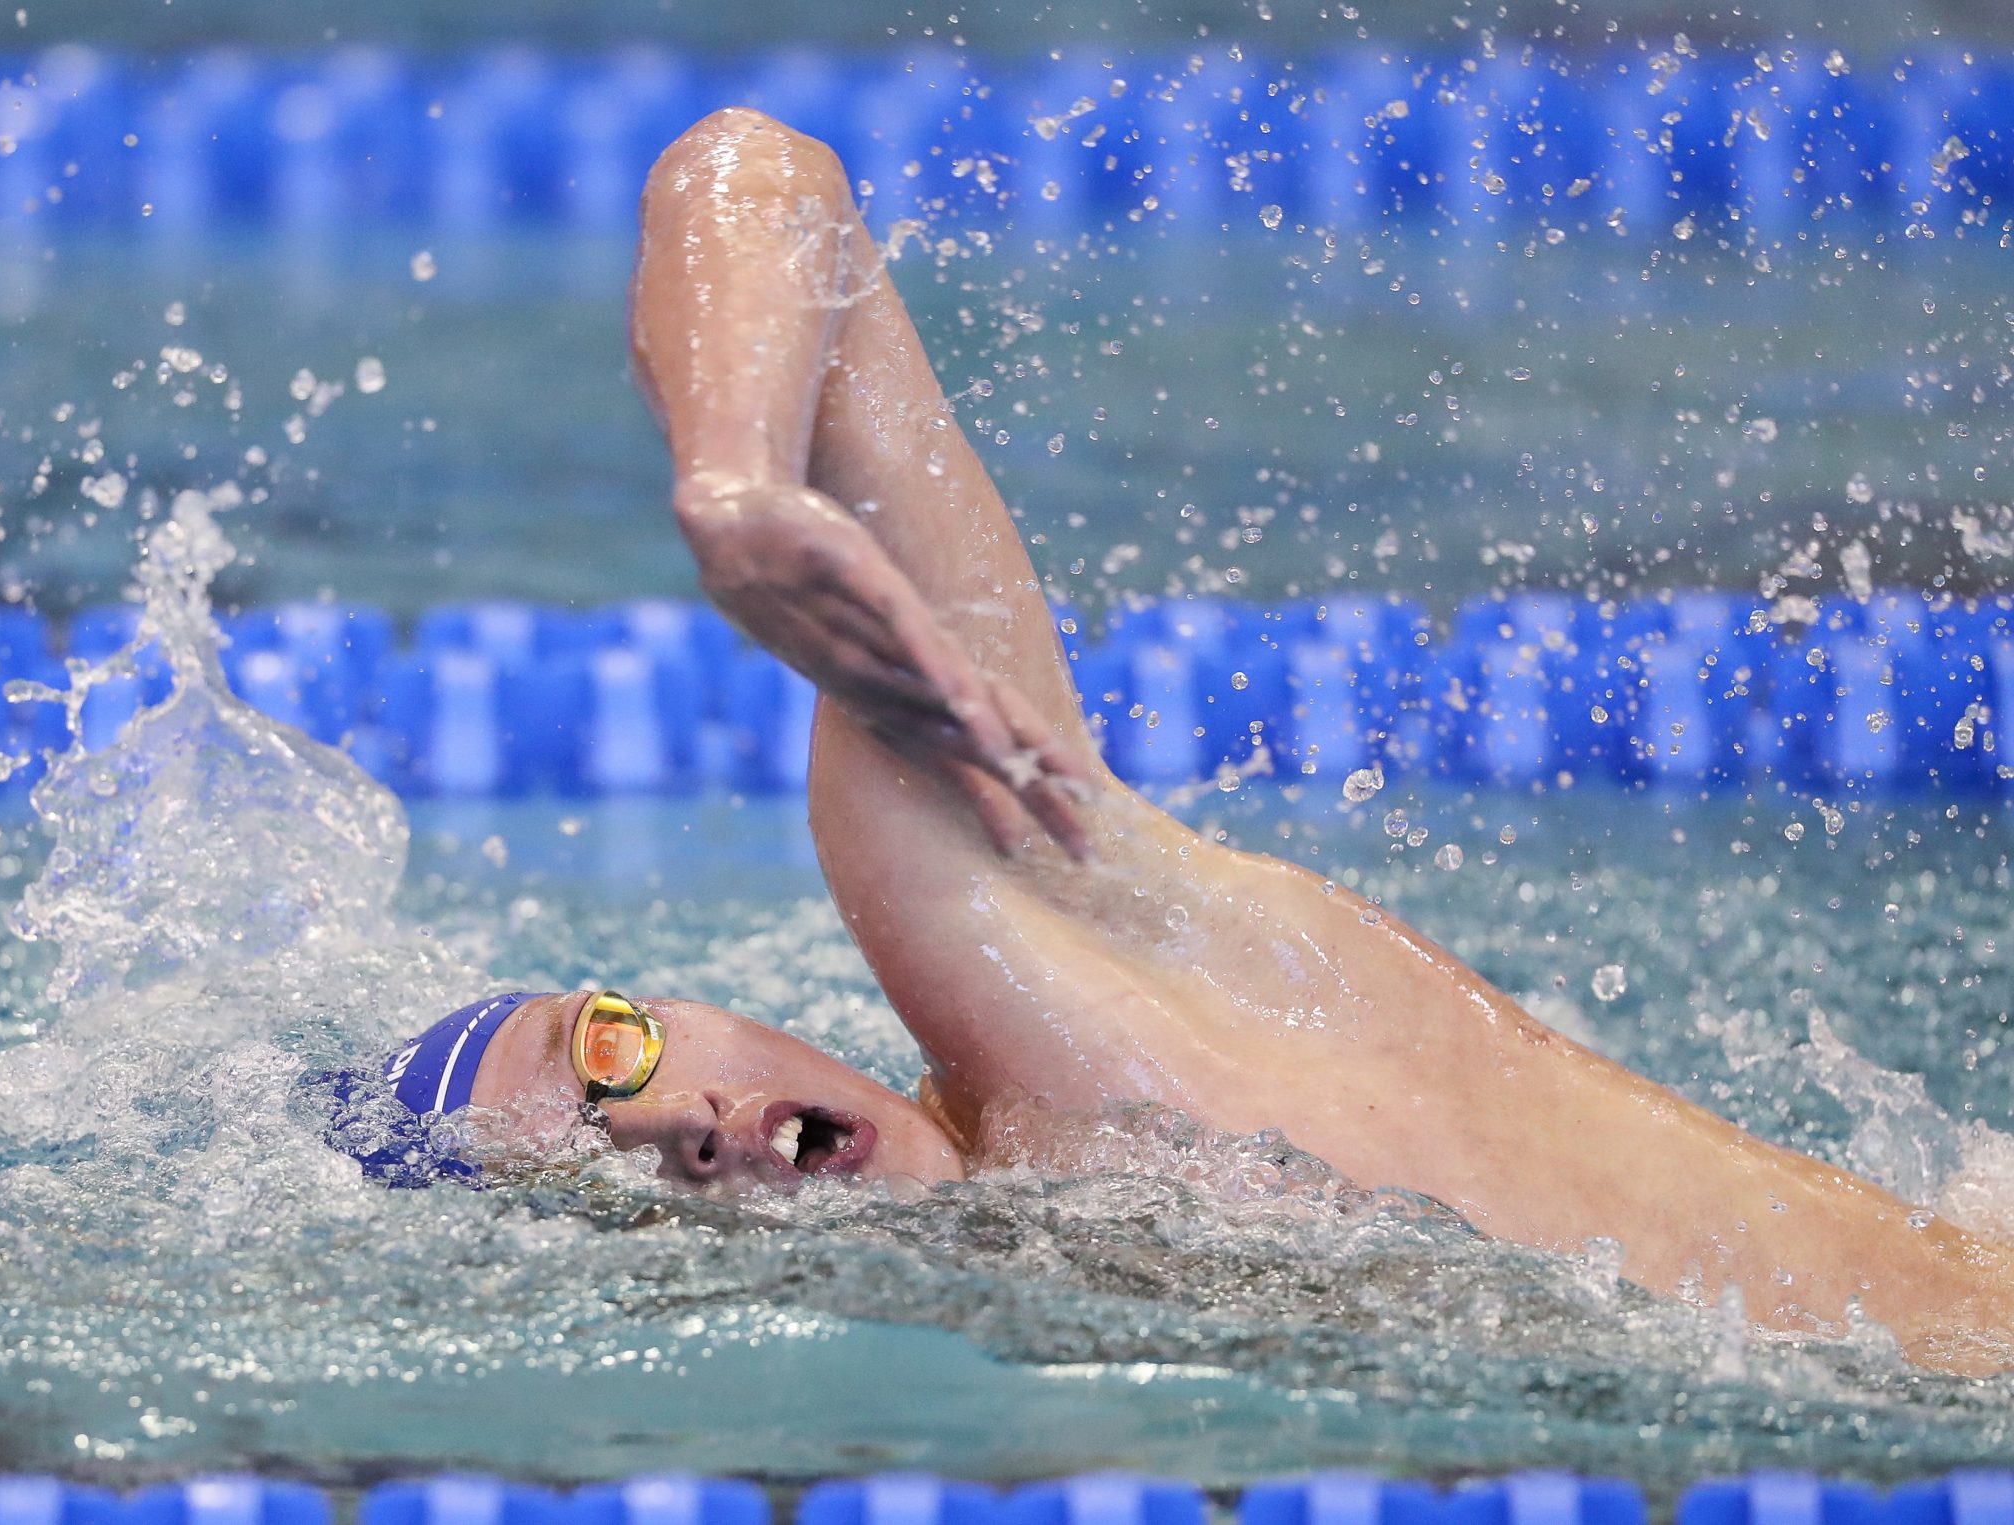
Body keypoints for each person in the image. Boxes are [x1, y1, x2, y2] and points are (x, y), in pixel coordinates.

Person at [319, 108, 2014, 1374]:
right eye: (618, 1190)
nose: (688, 1129)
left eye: (609, 1053)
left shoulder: (1024, 945)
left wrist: (733, 486)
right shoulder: (1061, 1300)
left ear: (666, 993)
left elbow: (759, 178)